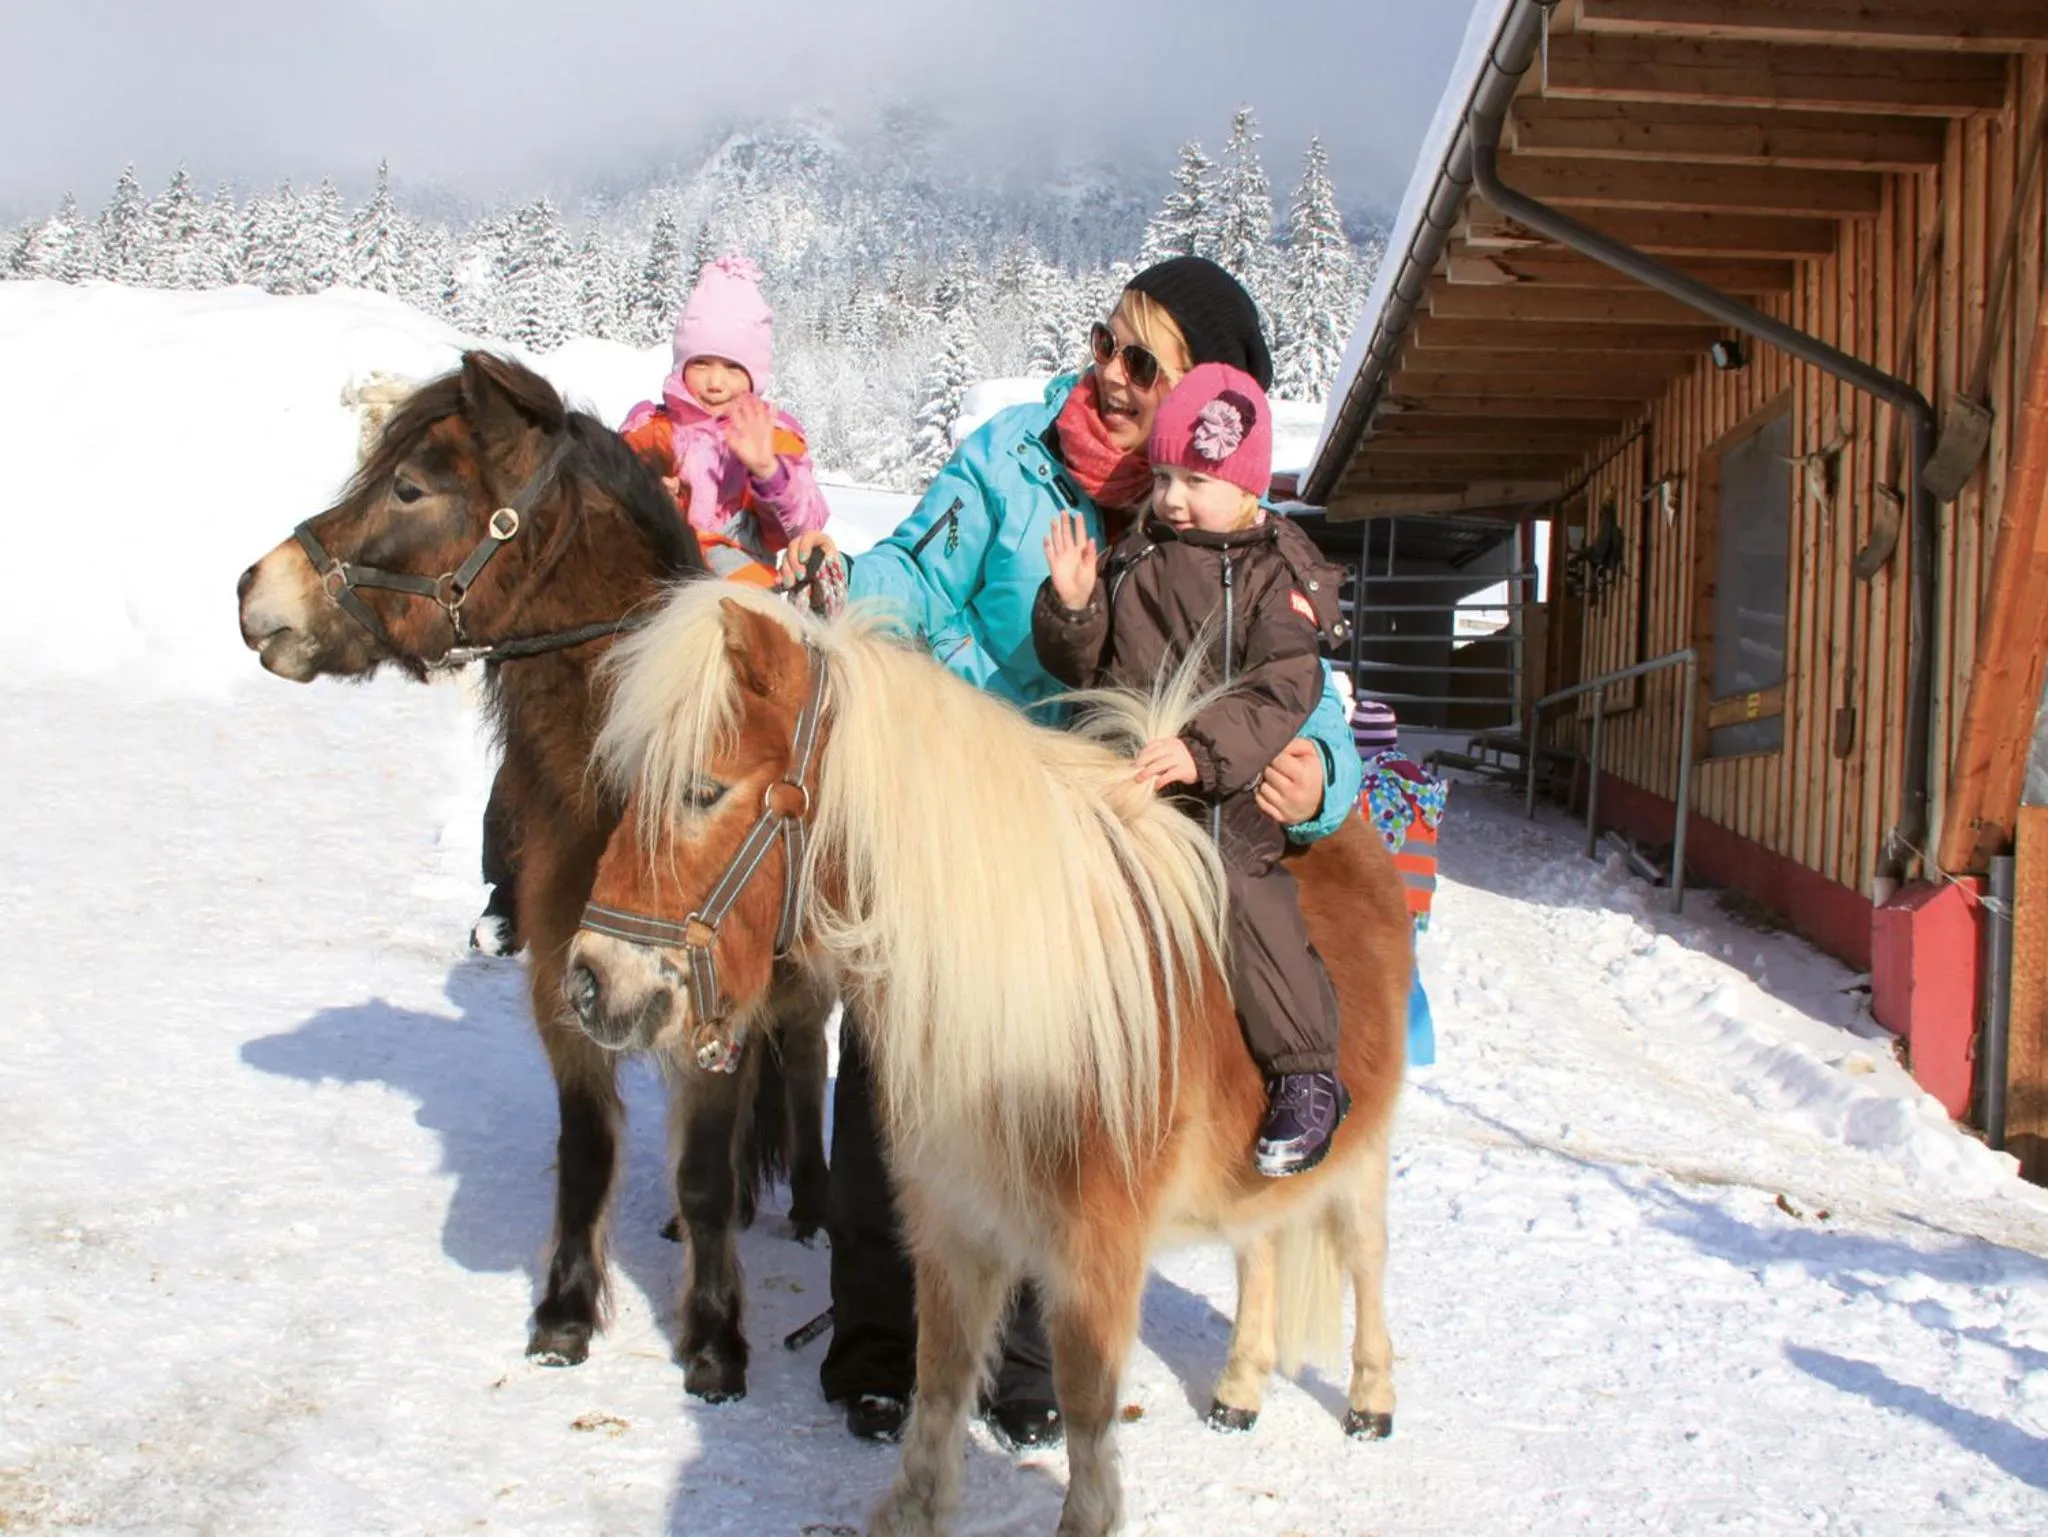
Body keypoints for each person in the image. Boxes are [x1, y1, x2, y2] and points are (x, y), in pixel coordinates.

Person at [775, 257, 1364, 1447]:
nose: (1104, 374)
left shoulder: (1222, 532)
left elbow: (1311, 704)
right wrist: (843, 591)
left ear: (1200, 394)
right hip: (955, 830)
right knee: (894, 1062)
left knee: (1070, 1102)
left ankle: (1031, 1352)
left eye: (1139, 364)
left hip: (1097, 874)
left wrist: (1318, 781)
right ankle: (880, 1336)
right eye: (1104, 342)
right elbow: (913, 565)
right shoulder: (1009, 458)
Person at [1034, 362, 1350, 1176]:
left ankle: (1304, 1068)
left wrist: (1204, 750)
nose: (1173, 497)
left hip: (1221, 783)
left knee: (1244, 887)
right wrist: (1072, 606)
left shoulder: (1276, 571)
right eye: (1165, 475)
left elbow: (1286, 682)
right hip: (1128, 770)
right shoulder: (1136, 553)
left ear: (1247, 487)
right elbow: (1085, 663)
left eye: (1198, 480)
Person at [469, 253, 829, 954]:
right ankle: (510, 888)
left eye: (732, 366)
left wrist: (764, 468)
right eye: (703, 363)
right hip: (642, 597)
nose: (717, 380)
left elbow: (805, 518)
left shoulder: (770, 432)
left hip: (724, 594)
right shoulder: (650, 427)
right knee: (551, 728)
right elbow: (597, 491)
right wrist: (645, 492)